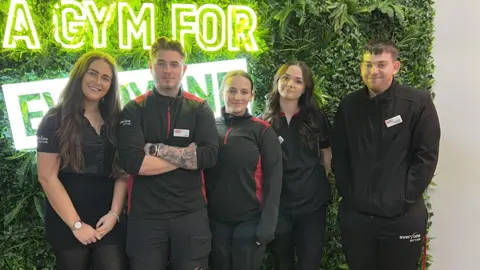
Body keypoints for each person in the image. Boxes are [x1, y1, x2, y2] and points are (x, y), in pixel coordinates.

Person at [331, 40, 441, 270]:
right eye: (368, 64)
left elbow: (426, 157)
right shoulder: (349, 106)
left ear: (396, 67)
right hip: (358, 218)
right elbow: (340, 155)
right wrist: (350, 195)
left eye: (381, 64)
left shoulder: (417, 103)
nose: (374, 71)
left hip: (402, 218)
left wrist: (401, 198)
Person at [116, 36, 219, 270]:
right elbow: (134, 163)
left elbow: (209, 156)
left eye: (174, 64)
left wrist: (156, 150)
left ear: (184, 69)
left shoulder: (199, 107)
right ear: (151, 67)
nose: (168, 70)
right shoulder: (134, 109)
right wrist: (187, 154)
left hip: (191, 215)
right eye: (161, 63)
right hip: (146, 217)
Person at [36, 51, 128, 270]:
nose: (98, 82)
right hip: (68, 222)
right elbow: (47, 177)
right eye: (93, 74)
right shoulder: (54, 119)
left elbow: (122, 173)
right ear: (80, 75)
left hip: (107, 221)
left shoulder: (117, 121)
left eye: (106, 78)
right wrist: (76, 225)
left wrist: (114, 215)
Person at [204, 70, 283, 270]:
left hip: (250, 221)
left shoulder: (263, 131)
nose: (237, 97)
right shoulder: (208, 128)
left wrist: (267, 225)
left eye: (243, 92)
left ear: (251, 96)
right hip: (216, 222)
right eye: (232, 90)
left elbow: (274, 181)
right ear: (221, 91)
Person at [262, 61, 332, 270]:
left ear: (305, 88)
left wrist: (314, 184)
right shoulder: (263, 122)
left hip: (312, 206)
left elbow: (326, 155)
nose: (290, 84)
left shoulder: (317, 119)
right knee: (283, 263)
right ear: (277, 82)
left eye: (298, 81)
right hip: (279, 206)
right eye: (285, 78)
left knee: (309, 263)